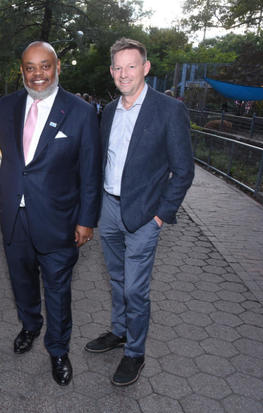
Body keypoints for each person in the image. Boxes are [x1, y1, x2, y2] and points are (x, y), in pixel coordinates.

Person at [85, 38, 194, 386]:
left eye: (131, 66)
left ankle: (135, 353)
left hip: (145, 216)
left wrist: (161, 214)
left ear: (145, 68)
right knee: (116, 279)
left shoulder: (169, 110)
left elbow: (184, 170)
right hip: (109, 211)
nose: (123, 73)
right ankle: (118, 331)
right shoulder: (107, 110)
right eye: (117, 67)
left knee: (135, 288)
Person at [0, 41, 101, 386]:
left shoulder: (81, 112)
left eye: (44, 66)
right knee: (22, 282)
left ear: (57, 67)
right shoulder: (7, 106)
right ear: (21, 70)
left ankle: (58, 349)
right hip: (15, 217)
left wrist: (87, 220)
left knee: (57, 291)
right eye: (30, 67)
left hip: (59, 220)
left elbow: (90, 172)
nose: (37, 74)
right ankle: (29, 326)